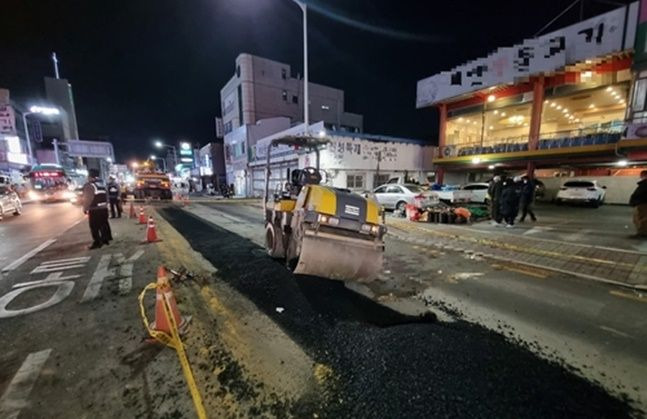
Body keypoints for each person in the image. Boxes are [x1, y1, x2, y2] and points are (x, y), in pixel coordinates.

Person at [82, 169, 113, 249]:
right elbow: (107, 196)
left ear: (90, 177)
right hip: (104, 208)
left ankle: (97, 242)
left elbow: (88, 198)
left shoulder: (89, 185)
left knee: (94, 227)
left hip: (95, 209)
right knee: (104, 224)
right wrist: (107, 205)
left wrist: (85, 208)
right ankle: (106, 239)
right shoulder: (102, 185)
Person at [629, 170, 647, 237]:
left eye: (642, 175)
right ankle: (642, 232)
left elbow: (639, 194)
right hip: (641, 203)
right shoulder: (643, 184)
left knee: (641, 218)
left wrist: (634, 200)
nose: (641, 177)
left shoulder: (644, 184)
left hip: (642, 203)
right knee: (640, 218)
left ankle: (642, 233)